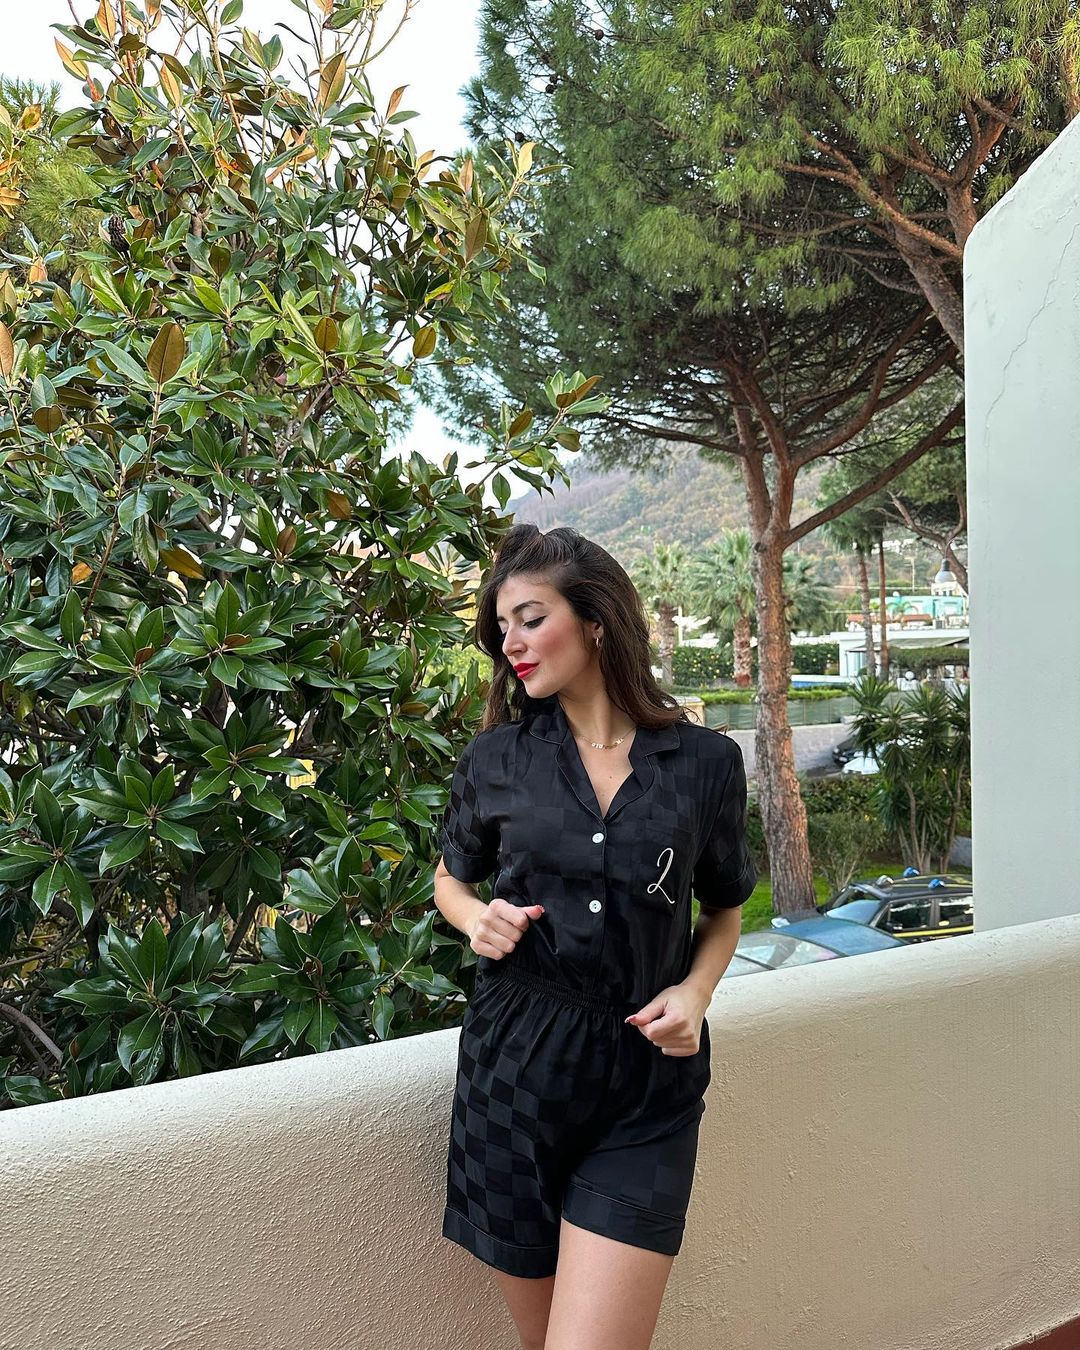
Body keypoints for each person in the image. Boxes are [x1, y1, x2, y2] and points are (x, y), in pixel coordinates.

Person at [434, 524, 755, 1350]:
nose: (511, 644)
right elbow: (450, 881)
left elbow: (724, 908)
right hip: (513, 1078)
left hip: (647, 1089)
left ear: (597, 619)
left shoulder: (705, 764)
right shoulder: (496, 760)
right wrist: (478, 920)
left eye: (531, 619)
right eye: (501, 628)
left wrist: (695, 992)